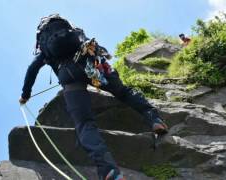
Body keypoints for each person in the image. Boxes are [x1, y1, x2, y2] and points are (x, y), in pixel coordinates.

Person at [19, 14, 168, 180]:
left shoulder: (45, 45)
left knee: (84, 124)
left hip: (68, 75)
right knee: (124, 92)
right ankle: (155, 120)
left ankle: (109, 171)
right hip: (93, 65)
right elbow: (94, 46)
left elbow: (32, 69)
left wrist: (25, 95)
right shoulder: (74, 31)